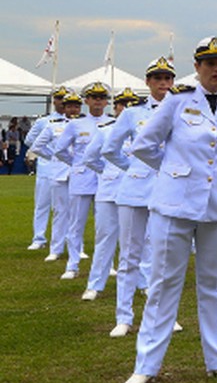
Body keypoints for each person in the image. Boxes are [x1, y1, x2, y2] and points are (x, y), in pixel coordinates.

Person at [122, 36, 217, 383]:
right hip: (175, 206)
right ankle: (146, 365)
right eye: (210, 63)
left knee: (214, 285)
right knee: (164, 284)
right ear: (197, 67)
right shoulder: (177, 101)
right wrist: (175, 169)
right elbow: (144, 145)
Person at [102, 57, 176, 338]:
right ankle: (124, 316)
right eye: (158, 79)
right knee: (130, 256)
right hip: (134, 191)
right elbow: (111, 149)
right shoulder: (132, 114)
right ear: (148, 83)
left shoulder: (182, 110)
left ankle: (164, 315)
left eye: (168, 79)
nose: (163, 84)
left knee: (165, 256)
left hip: (168, 190)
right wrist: (132, 168)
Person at [78, 87, 141, 301]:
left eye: (132, 104)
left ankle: (143, 282)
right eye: (123, 104)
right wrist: (107, 172)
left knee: (139, 241)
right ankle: (95, 284)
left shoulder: (146, 130)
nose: (127, 108)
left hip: (135, 190)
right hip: (110, 191)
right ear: (116, 107)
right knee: (105, 238)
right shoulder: (106, 130)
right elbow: (89, 158)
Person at [53, 81, 112, 280]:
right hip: (82, 178)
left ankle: (107, 264)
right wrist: (76, 165)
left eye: (102, 98)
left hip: (105, 178)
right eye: (94, 97)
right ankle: (73, 264)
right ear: (86, 100)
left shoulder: (113, 123)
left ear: (107, 102)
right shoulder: (76, 124)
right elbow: (60, 150)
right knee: (76, 223)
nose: (98, 101)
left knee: (105, 225)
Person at [26, 87, 69, 251]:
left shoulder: (76, 120)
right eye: (59, 98)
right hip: (47, 166)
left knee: (65, 206)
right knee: (42, 204)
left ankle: (63, 238)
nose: (62, 101)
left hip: (66, 168)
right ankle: (39, 237)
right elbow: (30, 140)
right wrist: (49, 155)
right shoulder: (45, 121)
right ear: (54, 101)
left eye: (65, 98)